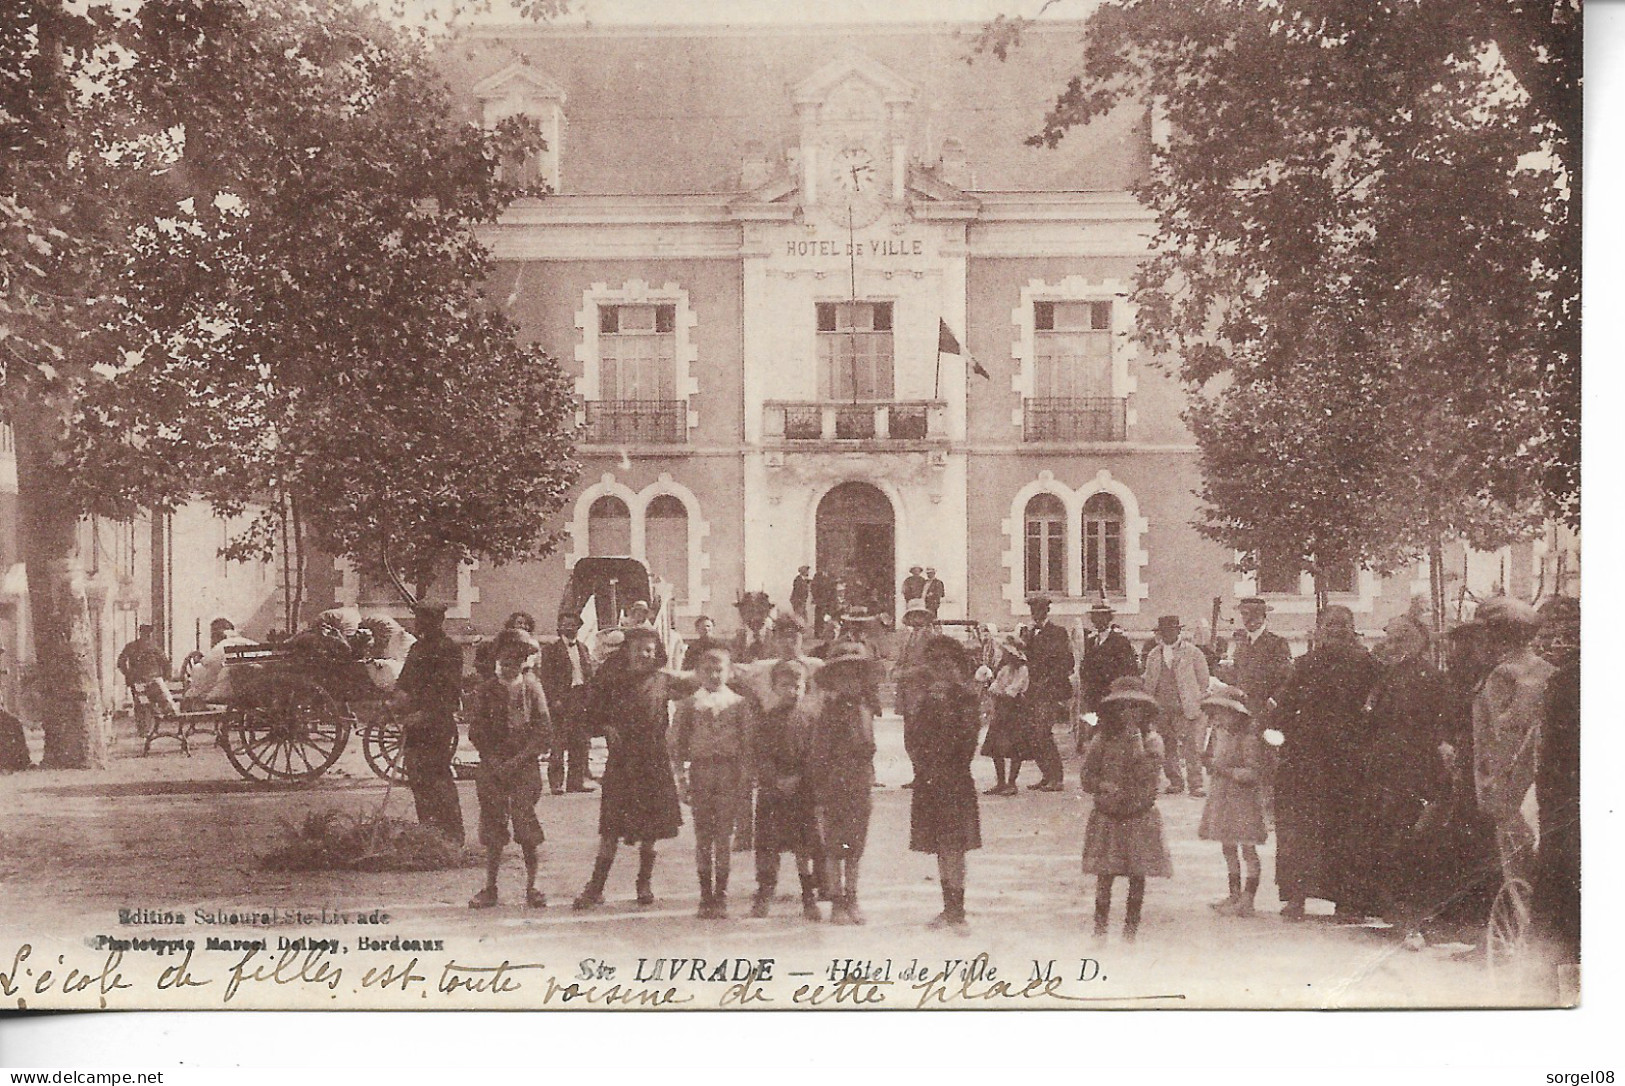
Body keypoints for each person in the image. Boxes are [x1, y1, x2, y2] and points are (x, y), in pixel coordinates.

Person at [1267, 605, 1380, 920]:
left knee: (1346, 830)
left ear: (1353, 629)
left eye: (1344, 624)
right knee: (1301, 830)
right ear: (1319, 629)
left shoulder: (1368, 665)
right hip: (1307, 761)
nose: (1337, 629)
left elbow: (1378, 707)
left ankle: (1348, 902)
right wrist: (1277, 736)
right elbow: (1285, 706)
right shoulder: (1305, 665)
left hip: (1348, 760)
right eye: (1330, 624)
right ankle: (1297, 897)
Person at [1346, 611, 1452, 942]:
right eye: (1389, 637)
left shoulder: (1425, 675)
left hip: (1412, 772)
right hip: (1388, 769)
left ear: (1412, 641)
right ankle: (1398, 914)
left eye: (1396, 638)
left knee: (1409, 843)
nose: (1388, 643)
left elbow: (1427, 726)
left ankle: (1413, 919)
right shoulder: (1394, 674)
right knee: (1390, 839)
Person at [573, 627, 696, 909]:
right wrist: (606, 726)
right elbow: (590, 714)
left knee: (651, 830)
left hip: (653, 760)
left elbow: (698, 686)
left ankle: (644, 883)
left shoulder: (664, 681)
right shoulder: (612, 681)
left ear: (657, 655)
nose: (644, 654)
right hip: (622, 761)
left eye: (650, 650)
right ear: (627, 651)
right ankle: (596, 887)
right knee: (611, 828)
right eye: (638, 648)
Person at [1470, 596, 1555, 886]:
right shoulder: (1545, 669)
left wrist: (1494, 788)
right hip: (1539, 780)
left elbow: (1504, 737)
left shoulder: (1504, 674)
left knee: (1517, 865)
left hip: (1510, 784)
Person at [1079, 677, 1172, 942]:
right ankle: (1100, 931)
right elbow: (1087, 776)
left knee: (1136, 876)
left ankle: (1130, 933)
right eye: (1122, 707)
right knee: (1105, 877)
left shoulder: (1153, 741)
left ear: (1146, 711)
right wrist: (1102, 785)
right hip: (1108, 816)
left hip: (1138, 815)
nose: (1129, 713)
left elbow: (1148, 774)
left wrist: (1136, 743)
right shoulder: (1102, 740)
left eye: (1136, 708)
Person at [467, 632, 552, 909]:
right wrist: (492, 761)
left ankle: (533, 886)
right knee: (493, 825)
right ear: (496, 662)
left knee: (525, 823)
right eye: (504, 661)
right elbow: (477, 731)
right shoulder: (486, 690)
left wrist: (519, 760)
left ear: (523, 663)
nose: (508, 667)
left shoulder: (531, 688)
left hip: (524, 766)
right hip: (493, 766)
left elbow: (543, 730)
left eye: (515, 662)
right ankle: (490, 887)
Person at [673, 646, 757, 918]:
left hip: (729, 774)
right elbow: (676, 745)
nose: (713, 675)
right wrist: (681, 780)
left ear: (729, 672)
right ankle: (704, 895)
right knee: (702, 837)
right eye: (707, 670)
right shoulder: (688, 705)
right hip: (701, 773)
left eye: (719, 669)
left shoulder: (738, 704)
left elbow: (747, 745)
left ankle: (720, 895)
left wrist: (745, 779)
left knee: (723, 837)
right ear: (697, 673)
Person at [909, 636, 983, 930]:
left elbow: (967, 743)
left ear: (958, 668)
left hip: (955, 779)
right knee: (940, 846)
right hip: (929, 780)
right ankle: (947, 906)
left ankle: (958, 909)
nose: (943, 671)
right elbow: (913, 738)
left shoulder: (965, 700)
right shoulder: (926, 700)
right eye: (937, 666)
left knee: (955, 847)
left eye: (948, 665)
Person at [811, 640, 881, 925]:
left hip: (859, 784)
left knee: (855, 846)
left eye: (856, 675)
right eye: (843, 676)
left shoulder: (865, 710)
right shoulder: (827, 712)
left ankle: (852, 897)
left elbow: (868, 747)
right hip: (833, 784)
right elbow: (819, 753)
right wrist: (819, 790)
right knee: (833, 846)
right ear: (834, 680)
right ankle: (836, 899)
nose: (850, 682)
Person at [750, 660, 825, 920]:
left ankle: (808, 896)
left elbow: (814, 755)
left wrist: (800, 778)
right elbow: (761, 754)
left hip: (801, 791)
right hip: (773, 791)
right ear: (774, 687)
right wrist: (774, 779)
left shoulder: (810, 720)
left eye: (797, 685)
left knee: (803, 846)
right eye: (785, 685)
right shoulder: (766, 720)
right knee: (768, 844)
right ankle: (765, 892)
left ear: (805, 688)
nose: (791, 690)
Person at [394, 602, 467, 845]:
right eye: (418, 619)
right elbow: (404, 682)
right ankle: (429, 833)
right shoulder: (416, 648)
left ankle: (453, 836)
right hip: (414, 725)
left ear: (436, 621)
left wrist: (423, 713)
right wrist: (400, 700)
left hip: (436, 724)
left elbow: (447, 692)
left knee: (438, 777)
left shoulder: (450, 650)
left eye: (423, 620)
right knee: (416, 777)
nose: (418, 624)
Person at [1197, 684, 1270, 917]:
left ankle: (1248, 899)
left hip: (1243, 801)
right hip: (1223, 797)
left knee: (1247, 848)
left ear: (1236, 714)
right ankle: (1234, 894)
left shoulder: (1249, 738)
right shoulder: (1220, 734)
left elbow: (1253, 772)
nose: (1218, 718)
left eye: (1223, 713)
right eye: (1216, 713)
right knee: (1228, 846)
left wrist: (1225, 770)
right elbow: (1215, 759)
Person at [1141, 615, 1211, 796]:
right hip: (1162, 709)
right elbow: (1148, 681)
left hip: (1187, 708)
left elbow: (1204, 680)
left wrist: (1195, 699)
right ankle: (1175, 782)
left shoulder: (1193, 652)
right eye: (1163, 631)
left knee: (1192, 747)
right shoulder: (1154, 655)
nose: (1167, 634)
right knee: (1167, 747)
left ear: (1179, 631)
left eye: (1171, 630)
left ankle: (1196, 784)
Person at [538, 612, 596, 795]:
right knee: (558, 743)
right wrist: (554, 699)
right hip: (562, 699)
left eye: (573, 625)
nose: (570, 628)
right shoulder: (550, 650)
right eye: (566, 625)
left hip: (581, 698)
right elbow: (546, 678)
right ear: (560, 627)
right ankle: (556, 783)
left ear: (578, 628)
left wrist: (590, 699)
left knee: (580, 742)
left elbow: (589, 675)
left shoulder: (583, 648)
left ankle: (576, 782)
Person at [1019, 594, 1073, 791]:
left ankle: (1056, 777)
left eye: (1040, 610)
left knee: (1043, 732)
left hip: (1049, 691)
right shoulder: (1029, 633)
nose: (1036, 614)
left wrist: (1050, 683)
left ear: (1047, 611)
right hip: (1032, 691)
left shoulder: (1057, 632)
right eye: (1033, 610)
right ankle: (1046, 774)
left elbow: (1064, 662)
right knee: (1033, 734)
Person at [1077, 600, 1139, 750]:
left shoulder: (1120, 642)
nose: (1098, 621)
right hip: (1094, 697)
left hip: (1113, 697)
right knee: (1096, 732)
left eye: (1102, 617)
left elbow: (1129, 670)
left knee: (1113, 732)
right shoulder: (1090, 641)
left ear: (1109, 619)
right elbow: (1085, 667)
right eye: (1095, 618)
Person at [894, 597, 936, 789]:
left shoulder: (931, 637)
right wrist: (895, 671)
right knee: (909, 737)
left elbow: (931, 666)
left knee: (923, 736)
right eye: (913, 616)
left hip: (923, 694)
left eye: (919, 615)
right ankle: (918, 774)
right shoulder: (907, 637)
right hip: (907, 694)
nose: (915, 619)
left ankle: (926, 775)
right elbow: (901, 661)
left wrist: (908, 673)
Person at [980, 636, 1030, 795]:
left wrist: (999, 692)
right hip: (1002, 709)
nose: (1005, 656)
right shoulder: (1005, 669)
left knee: (1015, 748)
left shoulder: (1022, 669)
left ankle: (1012, 782)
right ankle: (1001, 782)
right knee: (996, 748)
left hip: (1015, 709)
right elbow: (995, 687)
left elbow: (1013, 691)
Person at [1230, 597, 1294, 717]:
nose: (1249, 620)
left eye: (1255, 614)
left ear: (1263, 617)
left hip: (1266, 709)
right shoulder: (1242, 642)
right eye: (1244, 614)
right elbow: (1237, 671)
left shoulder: (1277, 643)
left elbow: (1287, 678)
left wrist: (1275, 699)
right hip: (1241, 707)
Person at [182, 619, 256, 705]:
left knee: (200, 670)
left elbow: (207, 662)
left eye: (213, 636)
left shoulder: (223, 645)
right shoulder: (251, 643)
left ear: (217, 634)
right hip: (253, 691)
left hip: (229, 692)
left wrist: (199, 661)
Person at [118, 624, 178, 721]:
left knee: (160, 698)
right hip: (143, 680)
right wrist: (128, 674)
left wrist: (128, 675)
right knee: (149, 700)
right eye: (145, 633)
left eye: (148, 634)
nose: (147, 636)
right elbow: (121, 662)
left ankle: (165, 713)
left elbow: (165, 663)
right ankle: (163, 714)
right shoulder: (141, 647)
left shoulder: (151, 647)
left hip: (147, 680)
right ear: (141, 633)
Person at [474, 612, 539, 678]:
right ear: (512, 624)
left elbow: (533, 662)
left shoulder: (533, 643)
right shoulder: (503, 640)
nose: (523, 626)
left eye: (526, 624)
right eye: (519, 623)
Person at [731, 591, 774, 664]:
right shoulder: (736, 640)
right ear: (742, 614)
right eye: (750, 611)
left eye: (760, 611)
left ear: (767, 612)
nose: (755, 617)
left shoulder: (776, 638)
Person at [810, 569, 839, 640]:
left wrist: (833, 599)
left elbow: (833, 589)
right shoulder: (817, 576)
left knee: (827, 616)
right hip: (820, 600)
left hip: (829, 600)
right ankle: (818, 633)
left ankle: (826, 633)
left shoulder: (831, 576)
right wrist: (816, 598)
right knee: (819, 617)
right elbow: (813, 588)